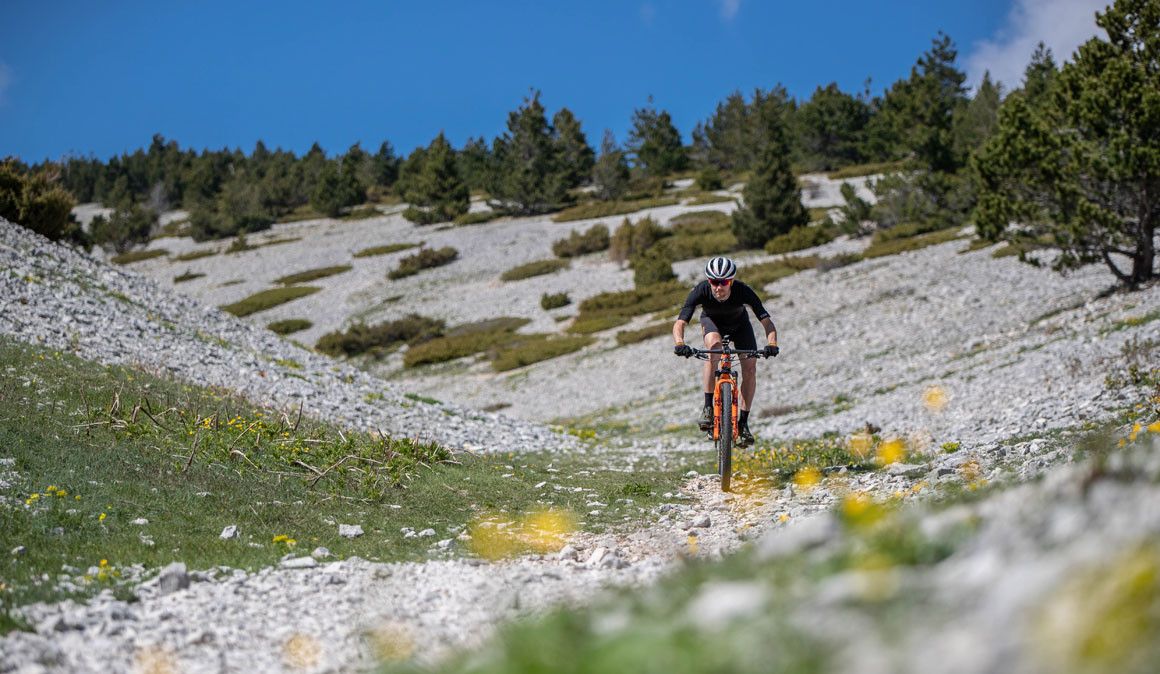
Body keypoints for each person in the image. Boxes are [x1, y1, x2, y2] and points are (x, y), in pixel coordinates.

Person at [672, 256, 778, 447]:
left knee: (750, 368)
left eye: (724, 282)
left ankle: (743, 424)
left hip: (740, 326)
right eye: (714, 282)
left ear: (732, 281)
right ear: (708, 281)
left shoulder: (743, 291)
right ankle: (708, 408)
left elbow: (767, 322)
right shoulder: (701, 290)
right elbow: (680, 322)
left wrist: (772, 343)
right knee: (714, 349)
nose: (718, 287)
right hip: (712, 323)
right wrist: (680, 343)